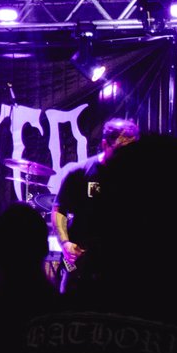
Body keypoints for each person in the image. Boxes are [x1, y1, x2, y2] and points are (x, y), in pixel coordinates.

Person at [51, 117, 139, 286]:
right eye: (121, 150)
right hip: (81, 258)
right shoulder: (79, 172)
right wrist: (65, 243)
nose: (126, 156)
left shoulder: (135, 177)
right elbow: (59, 209)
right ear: (105, 145)